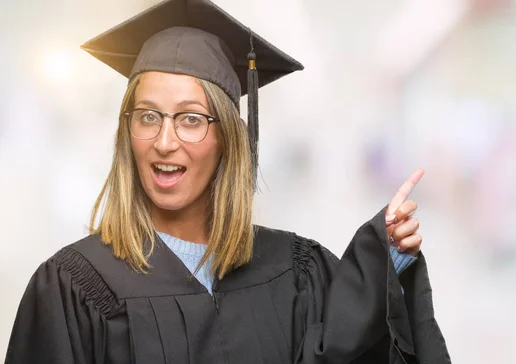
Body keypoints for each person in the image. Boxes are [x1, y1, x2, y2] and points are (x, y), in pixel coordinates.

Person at [4, 0, 451, 363]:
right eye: (148, 117)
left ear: (228, 140)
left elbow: (346, 352)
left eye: (191, 120)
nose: (164, 141)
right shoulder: (73, 288)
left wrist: (384, 264)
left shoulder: (296, 272)